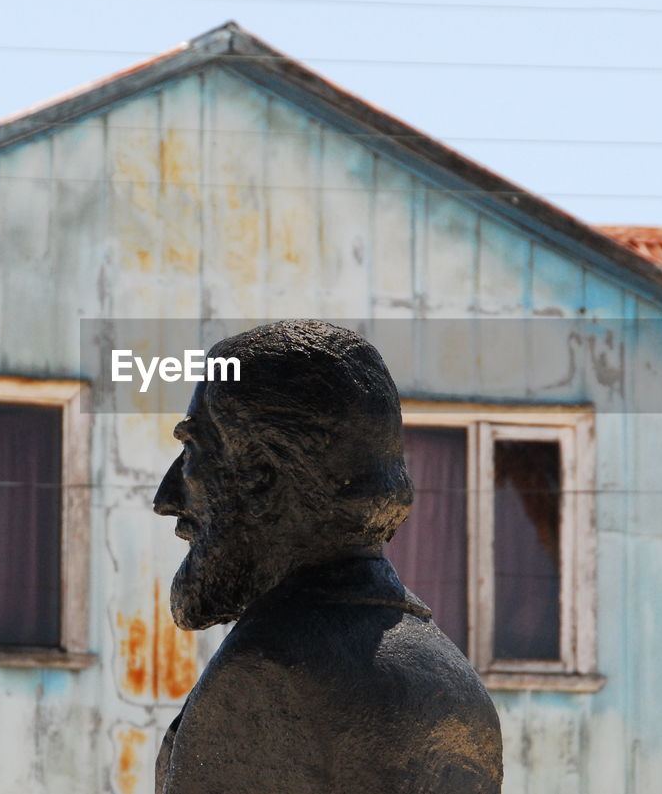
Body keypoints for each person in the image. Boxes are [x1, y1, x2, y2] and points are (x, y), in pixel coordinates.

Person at [152, 320, 503, 794]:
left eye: (193, 451)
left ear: (261, 473)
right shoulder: (453, 678)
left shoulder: (267, 676)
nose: (167, 497)